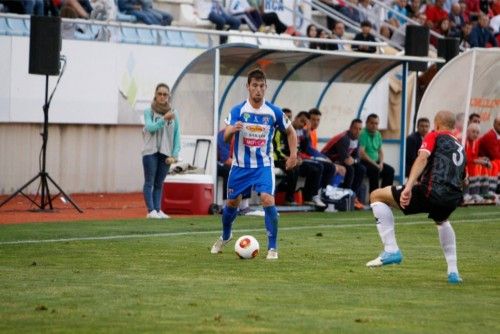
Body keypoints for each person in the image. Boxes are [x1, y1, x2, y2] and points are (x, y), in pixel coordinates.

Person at [366, 110, 466, 284]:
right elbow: (465, 179)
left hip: (431, 192)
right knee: (442, 220)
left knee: (376, 196)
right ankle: (453, 272)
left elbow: (422, 158)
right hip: (452, 198)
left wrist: (409, 186)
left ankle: (391, 250)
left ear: (436, 124)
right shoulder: (459, 146)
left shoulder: (434, 135)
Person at [210, 68, 297, 260]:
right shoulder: (238, 110)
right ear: (248, 87)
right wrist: (233, 129)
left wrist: (293, 155)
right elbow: (224, 137)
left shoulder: (273, 111)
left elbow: (291, 132)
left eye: (261, 86)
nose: (258, 89)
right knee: (232, 203)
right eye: (254, 85)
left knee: (267, 199)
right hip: (240, 166)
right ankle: (226, 235)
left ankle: (272, 248)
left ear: (266, 87)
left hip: (263, 166)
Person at [142, 83, 181, 219]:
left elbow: (177, 134)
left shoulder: (174, 113)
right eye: (160, 94)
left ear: (168, 96)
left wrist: (175, 154)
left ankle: (158, 210)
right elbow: (150, 127)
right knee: (149, 182)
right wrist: (164, 119)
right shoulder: (149, 112)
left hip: (165, 152)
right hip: (150, 151)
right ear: (155, 95)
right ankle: (151, 210)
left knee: (159, 183)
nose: (162, 96)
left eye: (165, 94)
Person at [321, 118, 367, 209]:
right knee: (350, 169)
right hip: (327, 160)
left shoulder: (357, 139)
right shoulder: (344, 138)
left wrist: (354, 160)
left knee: (361, 169)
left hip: (340, 161)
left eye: (360, 129)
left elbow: (357, 158)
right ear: (350, 128)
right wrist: (352, 160)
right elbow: (345, 160)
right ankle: (345, 197)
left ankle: (353, 196)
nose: (358, 131)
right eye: (355, 128)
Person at [359, 114, 395, 194]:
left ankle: (384, 196)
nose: (374, 125)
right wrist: (375, 164)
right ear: (367, 123)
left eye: (376, 123)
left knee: (390, 171)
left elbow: (380, 151)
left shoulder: (378, 134)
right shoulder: (363, 134)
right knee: (375, 170)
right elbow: (362, 153)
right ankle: (374, 199)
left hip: (376, 162)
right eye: (372, 123)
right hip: (365, 162)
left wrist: (381, 163)